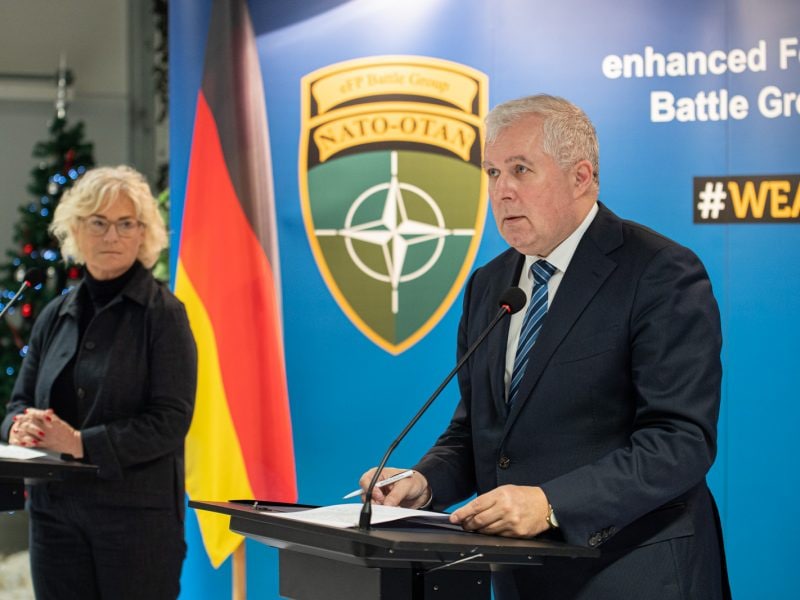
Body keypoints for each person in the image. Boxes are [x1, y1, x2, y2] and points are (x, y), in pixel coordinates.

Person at [359, 94, 730, 599]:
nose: (502, 191)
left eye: (520, 169)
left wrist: (552, 504)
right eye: (492, 173)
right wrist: (423, 483)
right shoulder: (490, 285)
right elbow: (479, 433)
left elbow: (679, 441)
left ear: (581, 177)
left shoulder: (658, 271)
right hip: (523, 578)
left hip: (634, 572)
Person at [0, 165, 197, 600]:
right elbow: (18, 404)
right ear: (76, 229)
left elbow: (170, 420)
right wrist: (18, 427)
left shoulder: (164, 315)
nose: (112, 236)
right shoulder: (54, 315)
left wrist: (78, 442)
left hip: (136, 522)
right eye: (99, 222)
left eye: (126, 223)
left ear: (143, 234)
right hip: (54, 516)